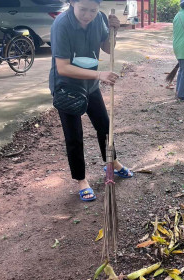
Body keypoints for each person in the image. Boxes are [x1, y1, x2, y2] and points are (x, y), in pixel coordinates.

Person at [49, 0, 133, 202]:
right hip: (67, 86)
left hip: (90, 85)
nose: (88, 15)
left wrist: (114, 31)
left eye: (93, 10)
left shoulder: (100, 19)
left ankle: (112, 162)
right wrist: (99, 75)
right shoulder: (61, 24)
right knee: (74, 135)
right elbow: (63, 67)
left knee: (104, 125)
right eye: (83, 9)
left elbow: (108, 49)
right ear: (72, 4)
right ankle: (81, 180)